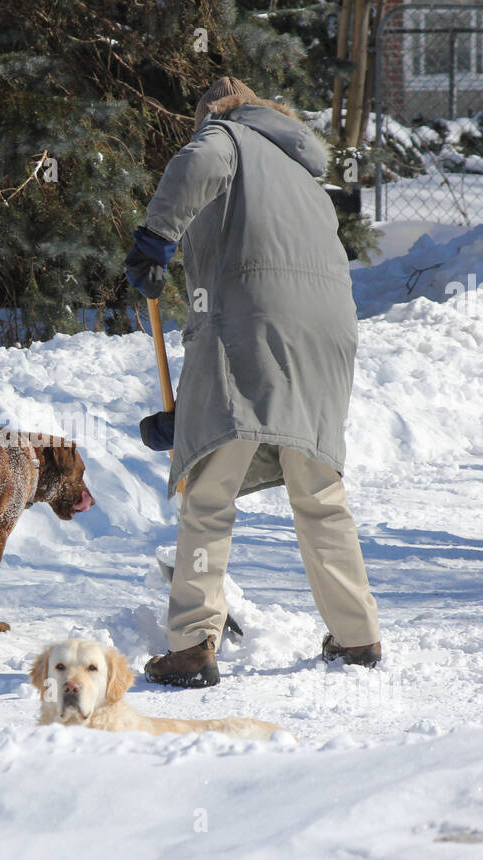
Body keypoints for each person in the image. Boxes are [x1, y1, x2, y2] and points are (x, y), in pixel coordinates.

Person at [124, 77, 381, 688]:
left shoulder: (228, 136)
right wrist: (191, 415)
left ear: (219, 111)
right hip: (328, 337)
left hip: (251, 327)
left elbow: (201, 160)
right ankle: (358, 636)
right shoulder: (304, 177)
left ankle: (191, 645)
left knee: (209, 493)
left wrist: (155, 237)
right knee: (318, 493)